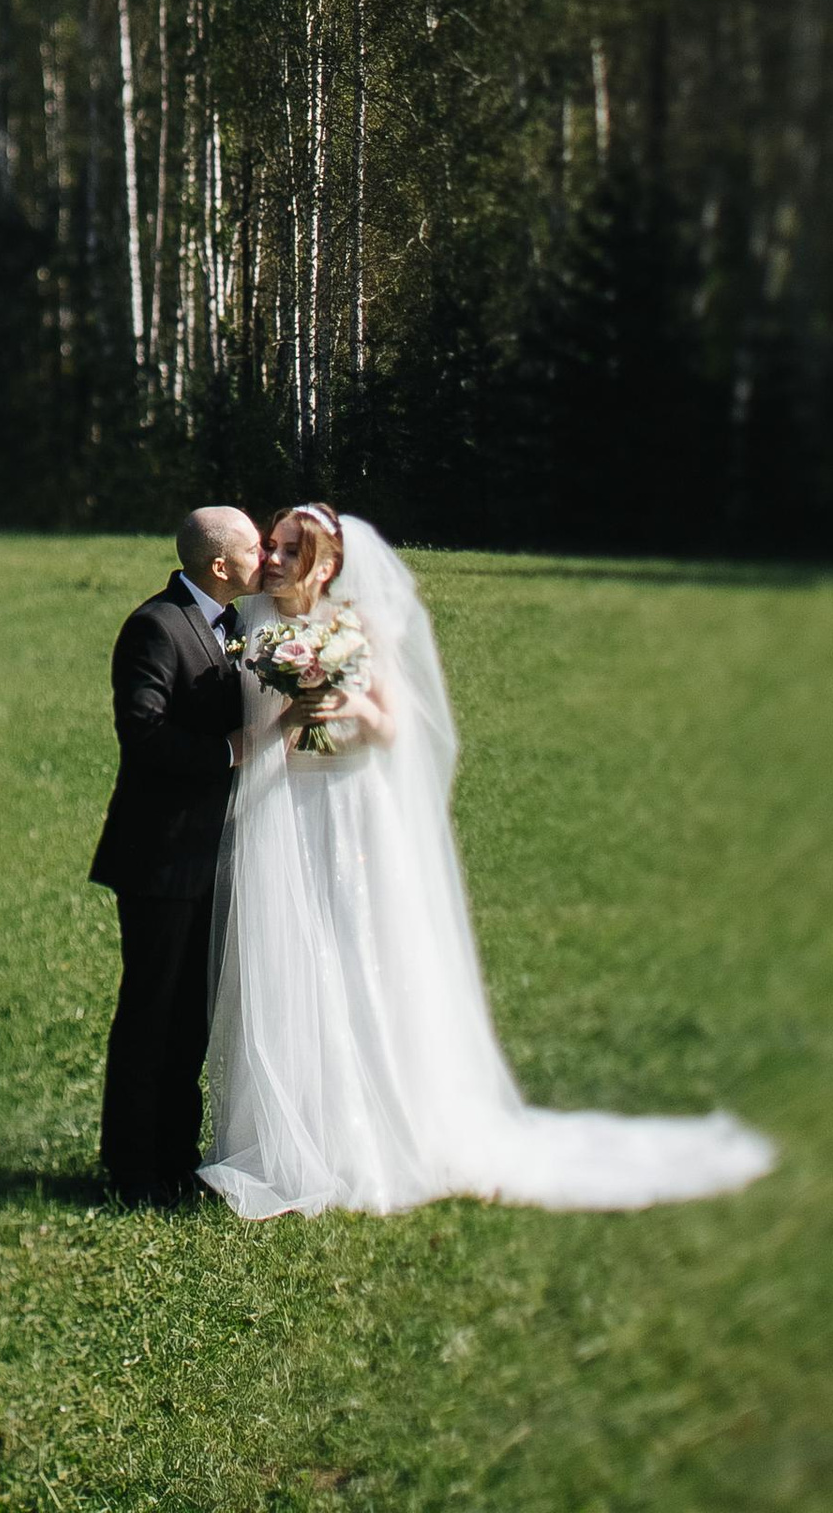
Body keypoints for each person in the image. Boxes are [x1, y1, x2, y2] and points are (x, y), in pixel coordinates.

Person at [199, 503, 777, 1219]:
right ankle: (291, 1134)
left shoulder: (358, 622)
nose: (274, 560)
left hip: (349, 806)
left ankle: (376, 1130)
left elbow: (396, 726)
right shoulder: (252, 619)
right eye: (272, 546)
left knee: (359, 948)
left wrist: (339, 699)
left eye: (289, 550)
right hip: (287, 806)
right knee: (293, 956)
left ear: (325, 563)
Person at [88, 502, 261, 1206]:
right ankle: (132, 1170)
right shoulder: (156, 626)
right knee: (152, 1013)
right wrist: (230, 751)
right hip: (160, 857)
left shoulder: (241, 628)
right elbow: (144, 734)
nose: (265, 557)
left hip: (215, 852)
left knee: (190, 1016)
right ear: (220, 564)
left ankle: (177, 1159)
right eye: (254, 547)